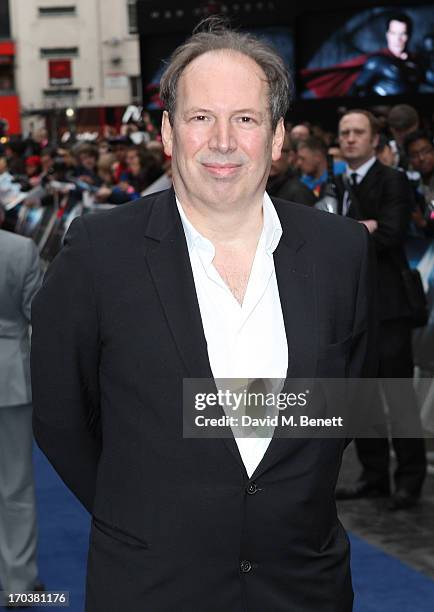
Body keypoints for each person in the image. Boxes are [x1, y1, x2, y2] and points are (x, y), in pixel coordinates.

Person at [31, 19, 376, 612]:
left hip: (303, 584)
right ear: (168, 133)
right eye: (200, 118)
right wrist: (140, 515)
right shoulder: (97, 251)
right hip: (150, 584)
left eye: (244, 118)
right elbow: (62, 419)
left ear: (275, 138)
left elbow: (341, 402)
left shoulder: (340, 250)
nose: (222, 140)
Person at [334, 109, 426, 509]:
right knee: (362, 397)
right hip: (352, 307)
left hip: (389, 306)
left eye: (358, 132)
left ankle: (409, 479)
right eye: (345, 133)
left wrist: (349, 232)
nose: (350, 138)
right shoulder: (339, 182)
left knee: (398, 396)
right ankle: (374, 477)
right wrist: (360, 227)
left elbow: (388, 234)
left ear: (374, 140)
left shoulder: (393, 180)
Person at [0, 203, 44, 599]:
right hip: (10, 379)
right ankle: (18, 583)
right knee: (14, 487)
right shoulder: (20, 249)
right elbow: (39, 315)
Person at [267, 129, 317, 206]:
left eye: (277, 150)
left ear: (290, 156)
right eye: (266, 150)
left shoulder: (299, 193)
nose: (270, 156)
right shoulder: (256, 189)